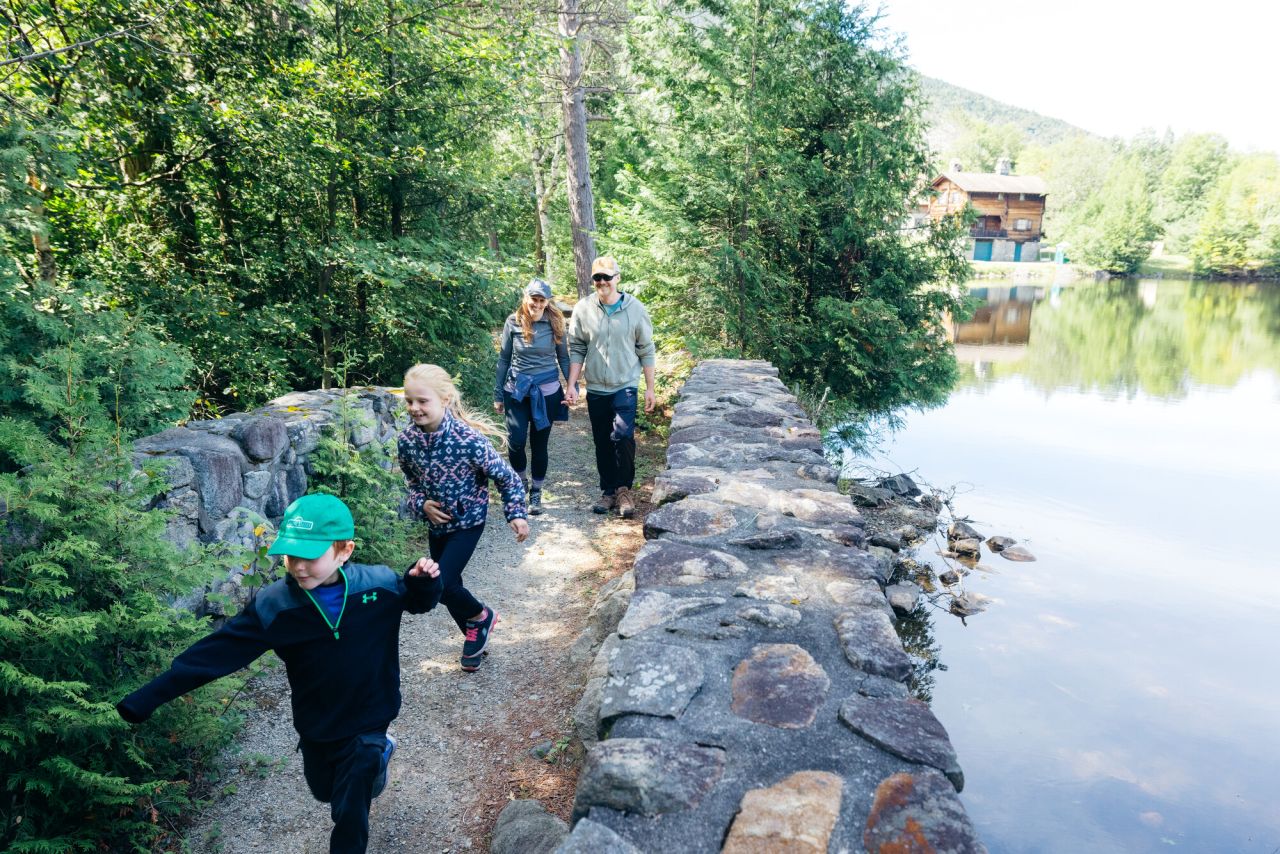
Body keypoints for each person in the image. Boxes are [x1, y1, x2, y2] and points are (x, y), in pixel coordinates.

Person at [116, 493, 443, 854]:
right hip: (317, 721)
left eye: (310, 557)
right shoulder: (276, 606)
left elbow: (417, 602)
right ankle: (381, 758)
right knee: (323, 789)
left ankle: (373, 758)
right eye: (291, 556)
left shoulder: (377, 586)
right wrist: (148, 697)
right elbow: (217, 653)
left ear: (344, 551)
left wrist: (422, 582)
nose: (299, 566)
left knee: (349, 806)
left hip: (371, 712)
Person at [397, 363, 529, 672]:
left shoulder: (468, 440)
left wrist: (516, 514)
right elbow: (411, 483)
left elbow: (507, 478)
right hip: (437, 524)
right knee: (447, 582)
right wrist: (421, 504)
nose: (415, 408)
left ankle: (481, 617)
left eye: (422, 401)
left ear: (444, 399)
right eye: (409, 401)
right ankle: (476, 630)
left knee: (439, 582)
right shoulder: (407, 441)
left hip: (468, 522)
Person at [564, 255, 657, 519]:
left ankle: (624, 489)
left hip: (625, 384)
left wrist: (650, 388)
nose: (602, 282)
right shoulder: (584, 308)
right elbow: (578, 348)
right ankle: (608, 491)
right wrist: (572, 385)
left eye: (607, 277)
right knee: (602, 441)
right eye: (597, 278)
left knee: (624, 436)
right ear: (593, 280)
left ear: (618, 278)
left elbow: (646, 350)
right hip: (596, 388)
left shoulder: (636, 309)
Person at [493, 278, 572, 516]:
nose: (536, 305)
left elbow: (564, 359)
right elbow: (504, 359)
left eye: (541, 300)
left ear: (547, 302)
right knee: (515, 442)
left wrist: (571, 387)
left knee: (539, 445)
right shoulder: (513, 322)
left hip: (546, 392)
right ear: (525, 298)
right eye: (533, 299)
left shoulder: (556, 322)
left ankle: (536, 493)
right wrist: (498, 393)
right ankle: (520, 483)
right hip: (516, 391)